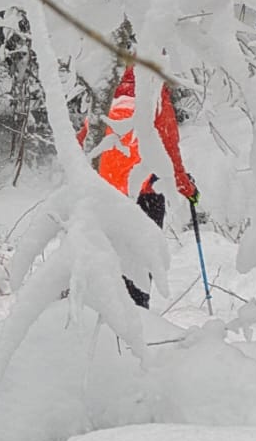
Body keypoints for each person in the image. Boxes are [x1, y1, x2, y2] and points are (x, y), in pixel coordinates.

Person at [79, 67, 198, 310]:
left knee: (103, 256)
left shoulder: (105, 90)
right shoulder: (153, 95)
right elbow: (169, 150)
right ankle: (137, 315)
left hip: (103, 193)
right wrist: (186, 187)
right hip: (144, 194)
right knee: (141, 260)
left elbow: (83, 141)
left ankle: (99, 311)